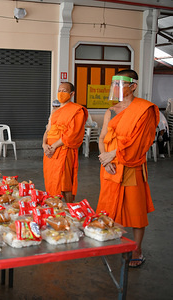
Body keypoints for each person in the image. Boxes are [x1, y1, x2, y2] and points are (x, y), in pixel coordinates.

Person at [97, 69, 159, 268]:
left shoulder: (144, 110)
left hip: (132, 167)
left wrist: (113, 154)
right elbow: (101, 138)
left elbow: (139, 143)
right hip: (110, 168)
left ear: (133, 86)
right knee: (109, 208)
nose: (116, 88)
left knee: (135, 211)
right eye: (114, 84)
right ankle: (112, 243)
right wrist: (105, 161)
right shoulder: (111, 110)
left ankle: (137, 249)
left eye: (120, 84)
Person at [42, 82, 88, 203]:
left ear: (72, 94)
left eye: (64, 91)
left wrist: (53, 146)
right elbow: (48, 130)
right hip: (49, 152)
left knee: (65, 183)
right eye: (59, 90)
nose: (61, 93)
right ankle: (54, 208)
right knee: (51, 180)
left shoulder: (77, 111)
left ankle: (68, 210)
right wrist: (44, 145)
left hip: (63, 150)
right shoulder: (55, 111)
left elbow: (72, 134)